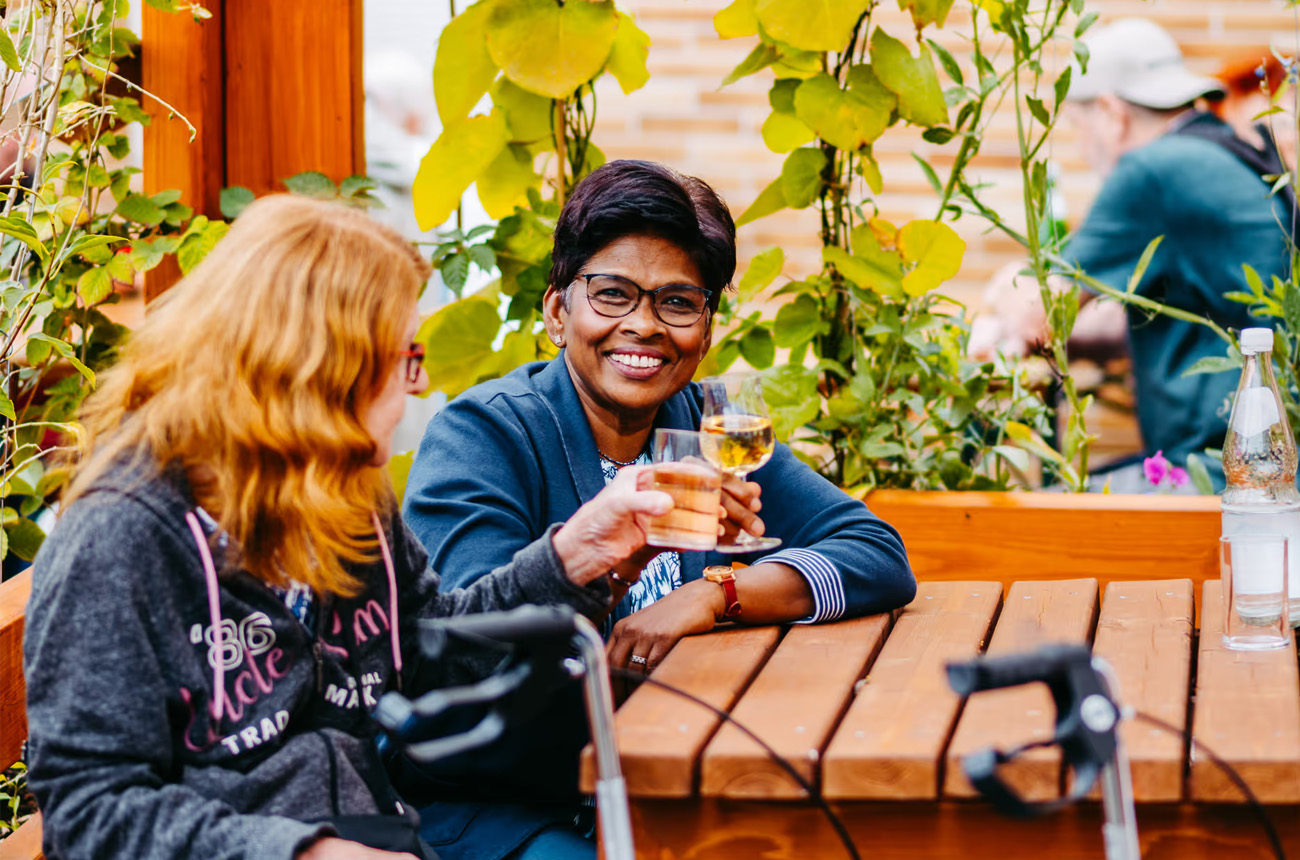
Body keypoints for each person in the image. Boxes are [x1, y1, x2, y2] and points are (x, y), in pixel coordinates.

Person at [23, 195, 680, 860]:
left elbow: (431, 653)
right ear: (323, 368)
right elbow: (90, 813)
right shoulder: (121, 540)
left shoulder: (344, 497)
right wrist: (307, 853)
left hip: (379, 832)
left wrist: (576, 557)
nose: (416, 387)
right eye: (404, 358)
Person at [399, 159, 915, 858]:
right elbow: (469, 657)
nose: (643, 325)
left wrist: (714, 595)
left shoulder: (708, 429)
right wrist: (604, 563)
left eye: (677, 302)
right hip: (513, 806)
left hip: (673, 783)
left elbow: (877, 554)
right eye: (612, 294)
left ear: (706, 327)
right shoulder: (485, 434)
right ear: (557, 312)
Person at [981, 18, 1291, 492]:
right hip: (1269, 463)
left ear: (1111, 113)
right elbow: (1152, 318)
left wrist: (1002, 293)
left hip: (1222, 474)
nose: (1082, 149)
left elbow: (1037, 310)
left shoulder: (1153, 170)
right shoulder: (1227, 149)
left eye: (1080, 129)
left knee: (1033, 518)